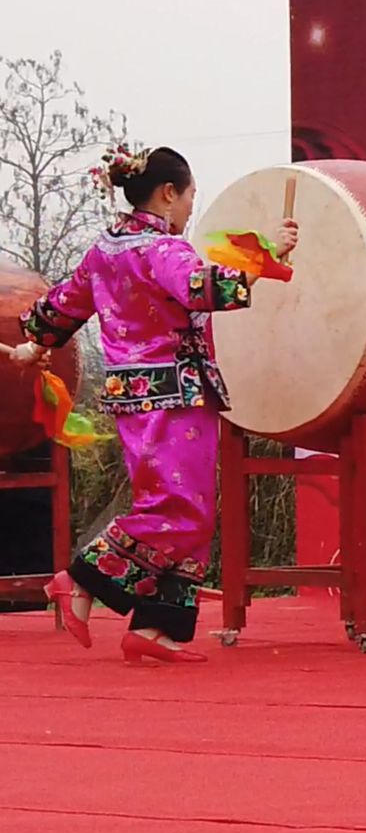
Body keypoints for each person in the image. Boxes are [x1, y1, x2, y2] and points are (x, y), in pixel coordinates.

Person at [8, 145, 298, 664]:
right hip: (175, 396)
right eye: (188, 198)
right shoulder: (162, 249)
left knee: (182, 509)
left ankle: (156, 627)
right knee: (179, 510)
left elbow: (62, 305)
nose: (189, 209)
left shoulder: (107, 250)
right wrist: (267, 253)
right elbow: (204, 288)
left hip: (134, 399)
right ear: (168, 194)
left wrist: (34, 346)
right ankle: (78, 579)